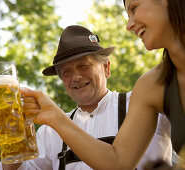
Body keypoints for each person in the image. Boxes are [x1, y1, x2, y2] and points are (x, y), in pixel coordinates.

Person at [21, 0, 185, 169]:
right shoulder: (151, 85)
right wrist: (52, 119)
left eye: (83, 66)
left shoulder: (136, 100)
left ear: (106, 67)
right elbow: (118, 162)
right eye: (66, 72)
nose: (129, 25)